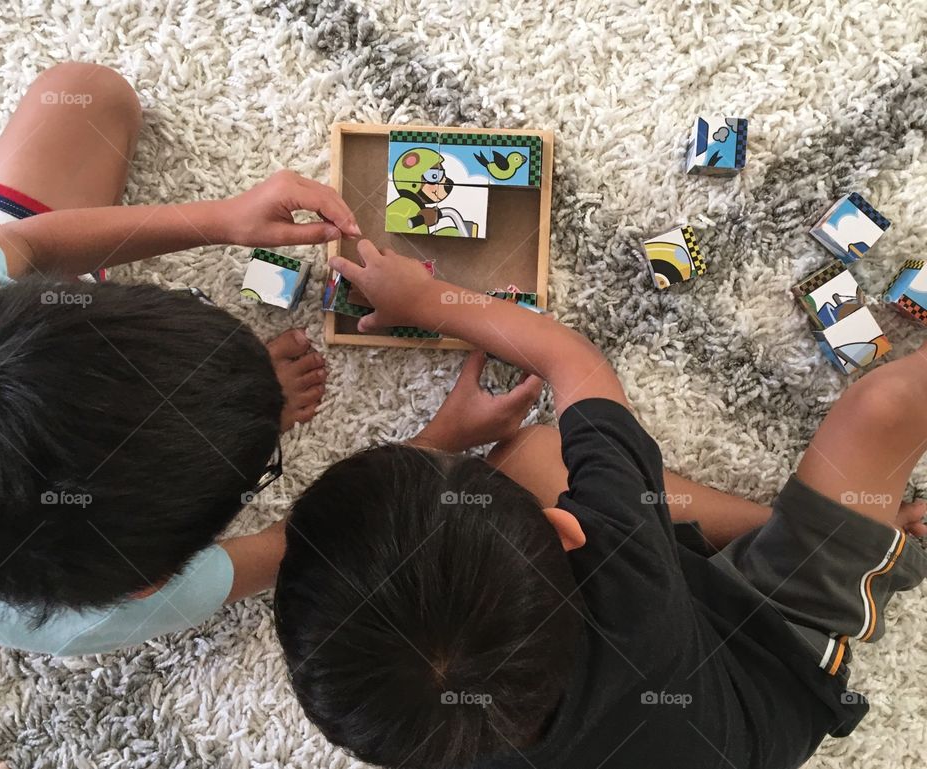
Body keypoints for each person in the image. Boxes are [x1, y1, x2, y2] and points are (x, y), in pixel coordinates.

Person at [274, 239, 927, 769]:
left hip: (677, 697)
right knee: (883, 409)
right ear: (565, 527)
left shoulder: (429, 732)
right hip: (770, 668)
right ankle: (836, 539)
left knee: (527, 455)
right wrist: (429, 297)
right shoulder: (621, 552)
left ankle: (799, 529)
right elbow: (572, 361)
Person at [0, 62, 354, 654]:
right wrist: (435, 444)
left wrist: (222, 217)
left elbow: (27, 242)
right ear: (152, 583)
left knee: (92, 90)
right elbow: (298, 542)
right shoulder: (92, 616)